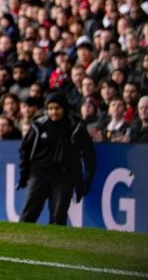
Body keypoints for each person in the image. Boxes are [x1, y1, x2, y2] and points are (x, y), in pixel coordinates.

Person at [18, 92, 96, 225]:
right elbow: (25, 150)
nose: (54, 112)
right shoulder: (38, 126)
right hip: (39, 175)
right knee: (28, 215)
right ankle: (21, 244)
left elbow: (89, 154)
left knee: (58, 218)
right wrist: (24, 174)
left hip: (64, 178)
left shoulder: (76, 126)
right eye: (50, 109)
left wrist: (85, 180)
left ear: (64, 108)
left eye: (57, 108)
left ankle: (54, 244)